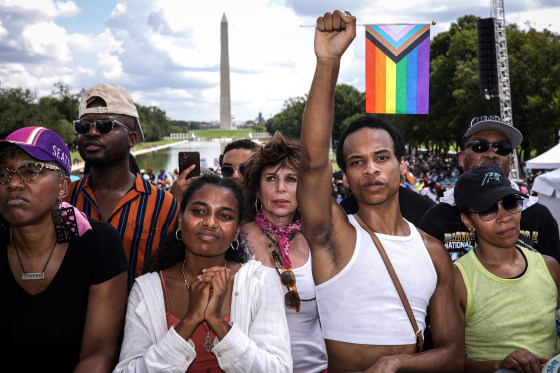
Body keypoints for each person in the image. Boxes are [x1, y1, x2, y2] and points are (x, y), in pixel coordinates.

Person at [297, 10, 463, 372]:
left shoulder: (434, 253)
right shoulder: (333, 235)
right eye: (356, 162)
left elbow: (453, 355)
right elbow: (311, 163)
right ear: (344, 176)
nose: (370, 168)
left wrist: (398, 363)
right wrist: (327, 62)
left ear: (402, 166)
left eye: (381, 157)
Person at [114, 175, 292, 372]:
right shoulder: (147, 290)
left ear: (236, 231)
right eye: (199, 211)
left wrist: (218, 323)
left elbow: (278, 369)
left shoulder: (260, 281)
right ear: (181, 220)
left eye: (224, 216)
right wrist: (189, 321)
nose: (210, 222)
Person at [0, 126, 128, 372]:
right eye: (3, 173)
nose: (13, 183)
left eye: (30, 171)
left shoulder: (97, 243)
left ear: (62, 187)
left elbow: (98, 352)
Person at [65, 83, 178, 287]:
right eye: (83, 126)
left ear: (131, 138)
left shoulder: (164, 205)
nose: (91, 132)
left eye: (105, 125)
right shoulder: (63, 198)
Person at [452, 165, 560, 373]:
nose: (505, 217)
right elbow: (451, 362)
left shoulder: (550, 267)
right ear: (467, 221)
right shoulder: (458, 280)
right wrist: (500, 365)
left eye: (510, 203)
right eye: (488, 210)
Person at [241, 132, 328, 372]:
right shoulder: (236, 238)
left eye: (291, 179)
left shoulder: (317, 240)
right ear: (257, 190)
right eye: (271, 178)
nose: (281, 188)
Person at [419, 115, 560, 262]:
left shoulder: (539, 217)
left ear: (511, 162)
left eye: (502, 148)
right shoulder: (435, 219)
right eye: (479, 146)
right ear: (461, 158)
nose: (491, 154)